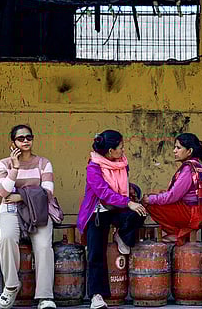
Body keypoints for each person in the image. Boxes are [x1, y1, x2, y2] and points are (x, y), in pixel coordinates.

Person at [77, 130, 147, 309]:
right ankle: (97, 296)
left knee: (139, 213)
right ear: (110, 151)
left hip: (117, 208)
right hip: (98, 211)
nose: (123, 150)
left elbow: (122, 185)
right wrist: (127, 202)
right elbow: (103, 193)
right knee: (96, 253)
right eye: (121, 147)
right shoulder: (93, 166)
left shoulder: (123, 163)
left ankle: (121, 235)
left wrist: (131, 196)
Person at [0, 125, 56, 309]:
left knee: (44, 246)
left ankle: (45, 297)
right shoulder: (4, 164)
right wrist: (15, 168)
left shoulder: (43, 163)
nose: (25, 141)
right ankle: (11, 285)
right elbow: (3, 191)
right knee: (6, 239)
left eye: (29, 137)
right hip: (11, 210)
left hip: (37, 211)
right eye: (20, 138)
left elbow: (47, 193)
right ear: (12, 142)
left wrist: (21, 196)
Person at [142, 133, 202, 246]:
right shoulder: (197, 166)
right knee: (159, 196)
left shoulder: (188, 168)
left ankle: (178, 234)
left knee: (150, 202)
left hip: (195, 214)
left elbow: (173, 196)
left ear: (189, 151)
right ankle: (180, 233)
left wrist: (150, 199)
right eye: (175, 147)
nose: (174, 151)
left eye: (178, 148)